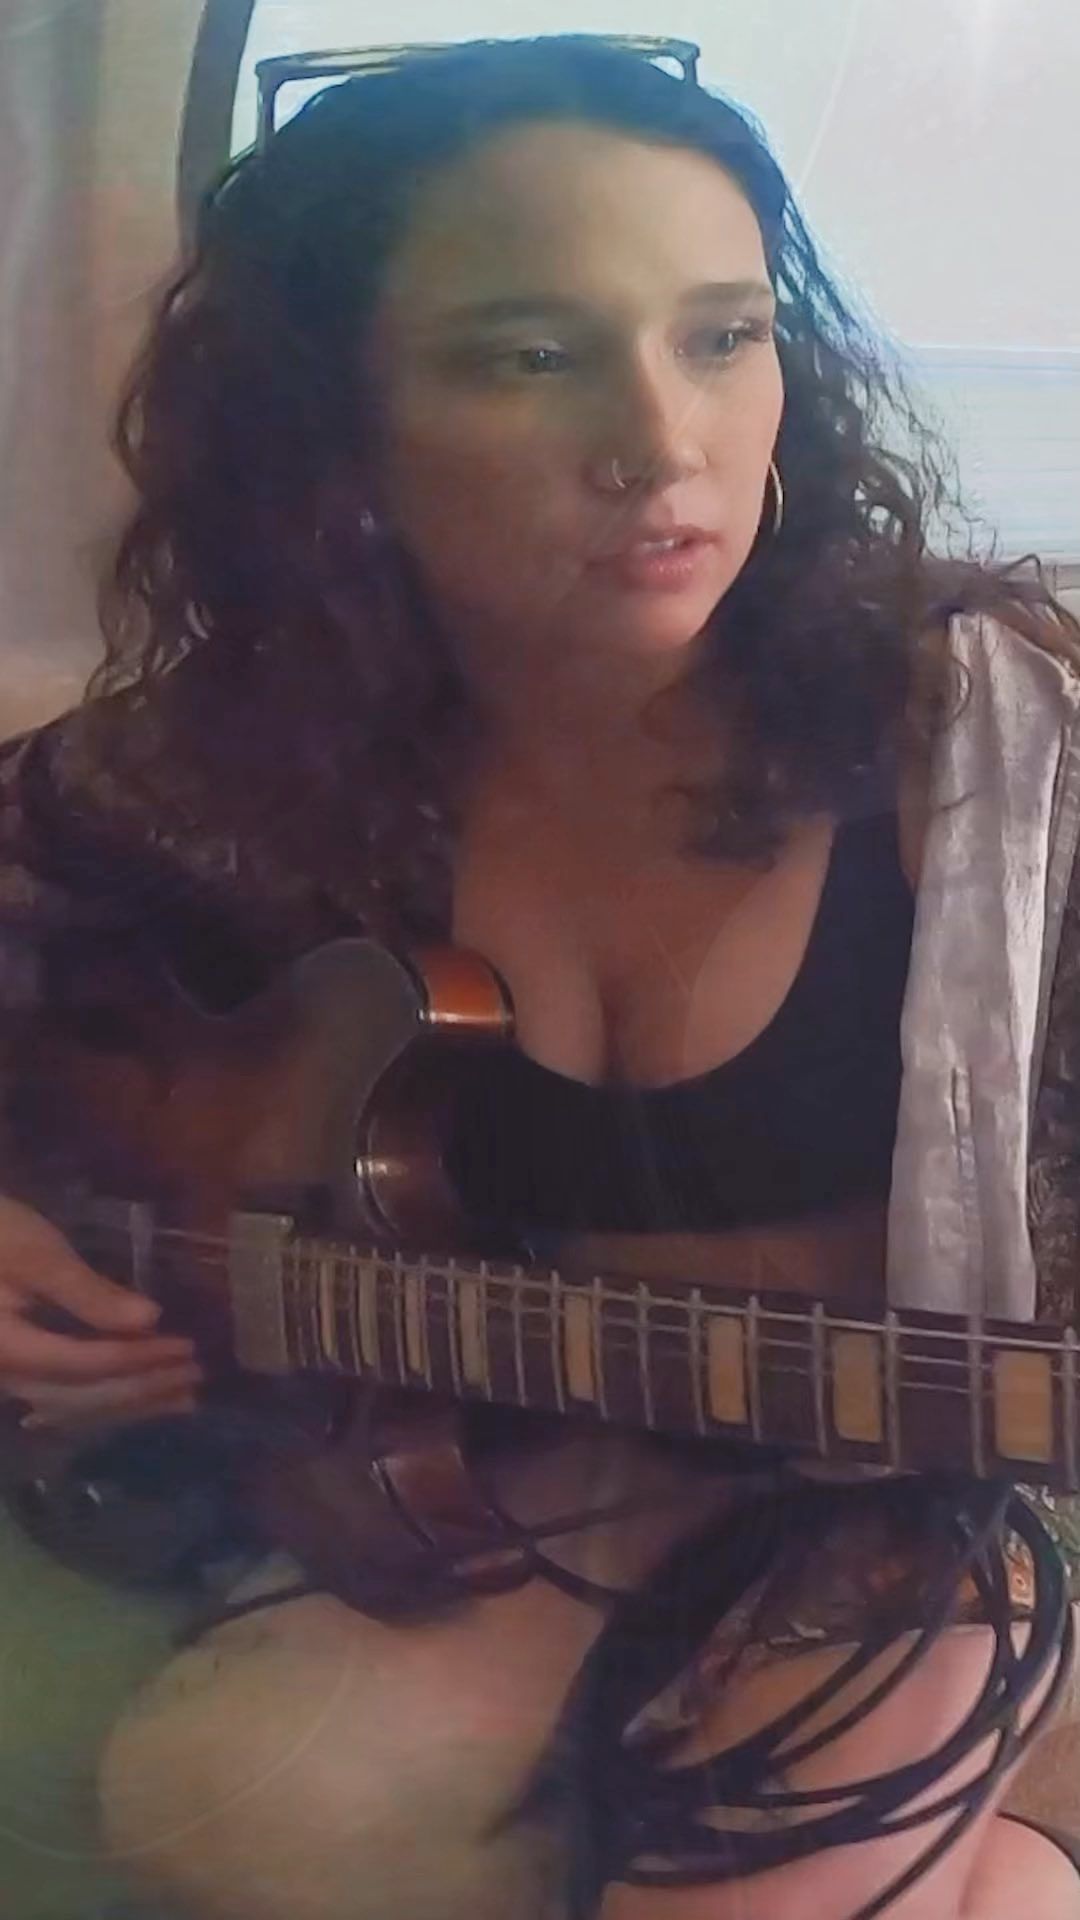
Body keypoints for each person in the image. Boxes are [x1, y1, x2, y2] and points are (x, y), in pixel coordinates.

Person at [0, 32, 1079, 1920]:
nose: (663, 441)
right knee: (223, 1813)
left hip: (927, 1490)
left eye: (724, 336)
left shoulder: (1004, 749)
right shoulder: (228, 761)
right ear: (331, 428)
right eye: (529, 355)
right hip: (543, 1467)